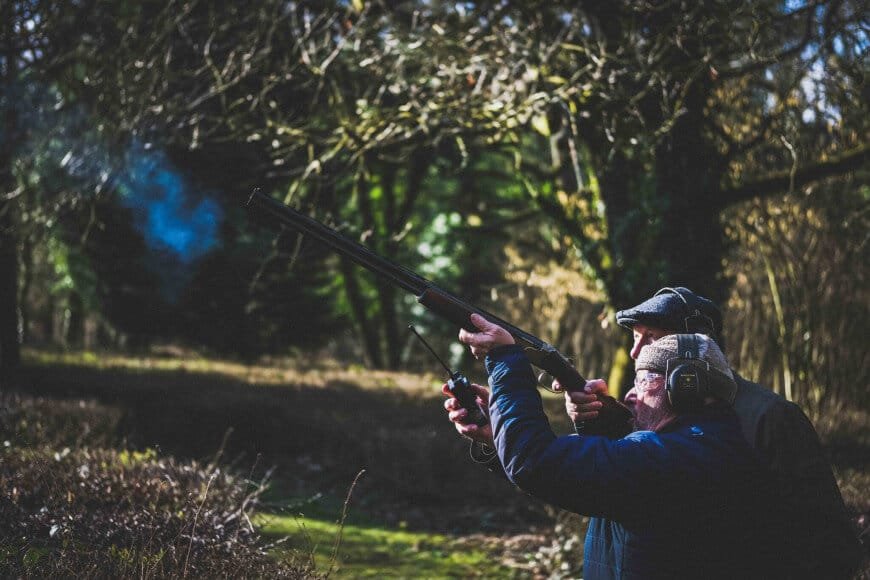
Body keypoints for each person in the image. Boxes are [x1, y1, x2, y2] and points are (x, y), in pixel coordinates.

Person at [451, 313, 783, 578]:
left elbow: (536, 463)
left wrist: (506, 359)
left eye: (643, 380)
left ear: (687, 387)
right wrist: (501, 432)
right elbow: (579, 479)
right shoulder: (701, 446)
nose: (629, 394)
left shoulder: (676, 456)